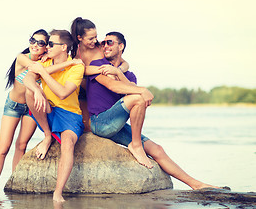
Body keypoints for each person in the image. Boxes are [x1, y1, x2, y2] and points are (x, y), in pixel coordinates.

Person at [87, 31, 219, 189]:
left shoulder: (129, 75)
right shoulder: (98, 66)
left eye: (109, 42)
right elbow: (113, 86)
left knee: (157, 149)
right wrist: (141, 90)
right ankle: (136, 145)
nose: (104, 45)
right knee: (138, 97)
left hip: (117, 126)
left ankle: (197, 185)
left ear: (120, 46)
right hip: (99, 123)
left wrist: (119, 72)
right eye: (103, 43)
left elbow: (131, 89)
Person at [0, 29, 81, 192]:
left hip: (30, 107)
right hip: (14, 105)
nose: (35, 45)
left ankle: (15, 180)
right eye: (32, 40)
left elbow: (42, 72)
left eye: (41, 43)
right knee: (3, 147)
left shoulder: (45, 60)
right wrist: (69, 63)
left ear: (46, 47)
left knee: (21, 145)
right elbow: (33, 73)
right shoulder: (23, 57)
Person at [22, 29, 85, 202]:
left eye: (51, 44)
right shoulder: (46, 60)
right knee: (29, 92)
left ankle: (58, 192)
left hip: (70, 115)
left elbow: (63, 93)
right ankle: (48, 136)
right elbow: (27, 79)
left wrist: (42, 72)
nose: (47, 47)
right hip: (49, 109)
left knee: (67, 144)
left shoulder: (77, 66)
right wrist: (36, 89)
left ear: (63, 47)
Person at [70, 17, 129, 132]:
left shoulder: (100, 47)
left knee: (95, 126)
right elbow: (81, 70)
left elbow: (125, 63)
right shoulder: (75, 53)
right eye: (91, 38)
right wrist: (101, 69)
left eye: (96, 36)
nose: (95, 40)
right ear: (79, 38)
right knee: (86, 127)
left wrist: (118, 70)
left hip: (100, 89)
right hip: (82, 90)